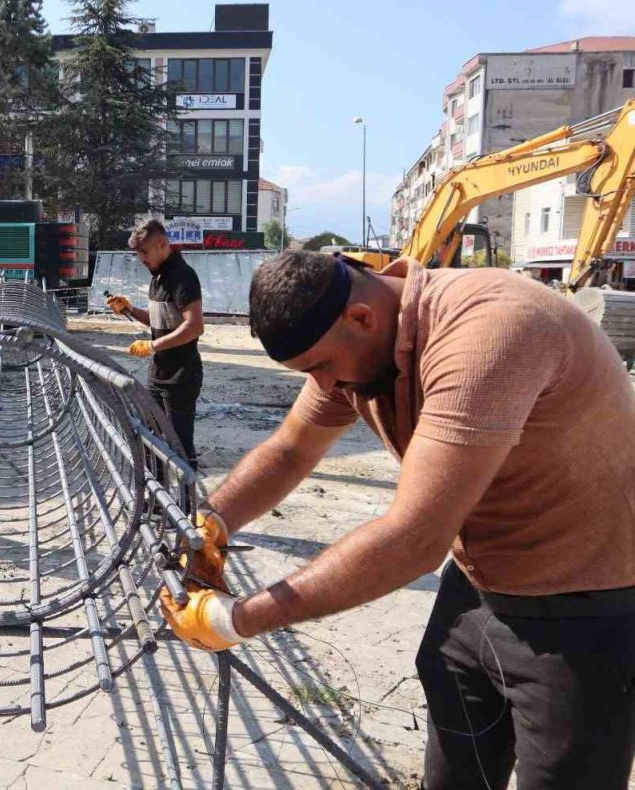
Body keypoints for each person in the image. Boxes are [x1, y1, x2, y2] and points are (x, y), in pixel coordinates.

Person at [159, 250, 635, 789]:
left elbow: (413, 538)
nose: (325, 385)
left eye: (321, 367)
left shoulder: (490, 331)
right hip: (478, 583)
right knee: (455, 773)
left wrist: (234, 619)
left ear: (362, 317)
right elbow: (292, 450)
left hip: (584, 604)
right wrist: (211, 523)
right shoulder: (357, 347)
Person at [104, 219, 205, 469]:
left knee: (179, 444)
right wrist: (129, 309)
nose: (141, 258)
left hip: (181, 375)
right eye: (137, 252)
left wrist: (152, 346)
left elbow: (194, 327)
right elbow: (160, 319)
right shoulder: (157, 276)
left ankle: (186, 505)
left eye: (144, 251)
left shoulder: (182, 277)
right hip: (159, 373)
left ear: (162, 244)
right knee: (153, 436)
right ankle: (159, 502)